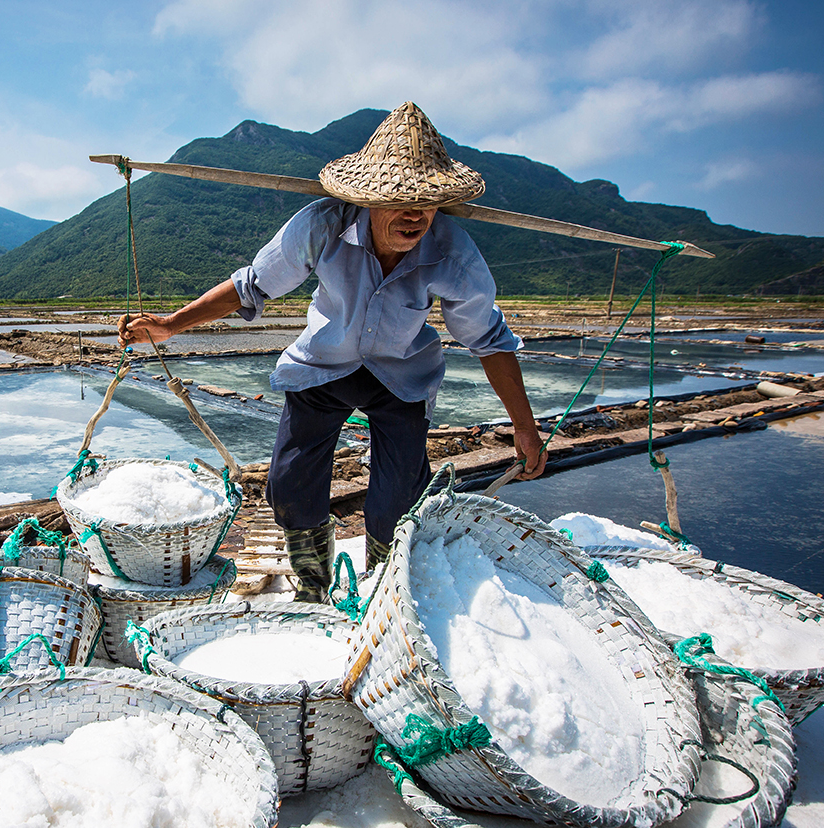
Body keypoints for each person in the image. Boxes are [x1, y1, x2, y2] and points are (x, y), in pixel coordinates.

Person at [119, 101, 546, 602]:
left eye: (426, 202)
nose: (414, 215)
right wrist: (171, 325)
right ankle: (315, 589)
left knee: (398, 502)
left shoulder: (454, 254)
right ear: (366, 199)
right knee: (291, 488)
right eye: (399, 201)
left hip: (401, 375)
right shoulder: (322, 225)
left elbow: (490, 341)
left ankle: (384, 593)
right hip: (324, 365)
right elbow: (252, 285)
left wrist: (524, 425)